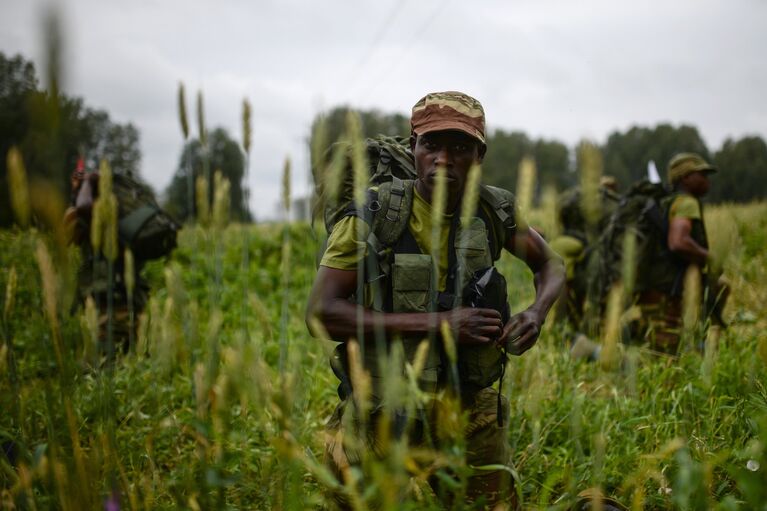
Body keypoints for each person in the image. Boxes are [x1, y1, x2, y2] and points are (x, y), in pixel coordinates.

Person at [306, 91, 565, 508]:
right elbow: (321, 312)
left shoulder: (494, 211)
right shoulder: (375, 213)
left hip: (468, 407)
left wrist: (536, 312)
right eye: (431, 145)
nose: (444, 159)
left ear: (479, 156)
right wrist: (441, 325)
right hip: (380, 409)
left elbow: (551, 266)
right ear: (414, 149)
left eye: (460, 147)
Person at [633, 152, 728, 353]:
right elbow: (678, 242)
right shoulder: (686, 203)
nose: (706, 179)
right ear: (685, 177)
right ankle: (592, 352)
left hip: (655, 286)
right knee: (662, 356)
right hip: (667, 291)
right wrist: (710, 257)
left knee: (659, 351)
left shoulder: (666, 202)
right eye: (701, 174)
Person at [64, 158, 150, 356]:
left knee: (105, 368)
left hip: (109, 312)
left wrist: (87, 183)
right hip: (133, 306)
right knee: (131, 366)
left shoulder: (102, 214)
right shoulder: (127, 218)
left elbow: (81, 211)